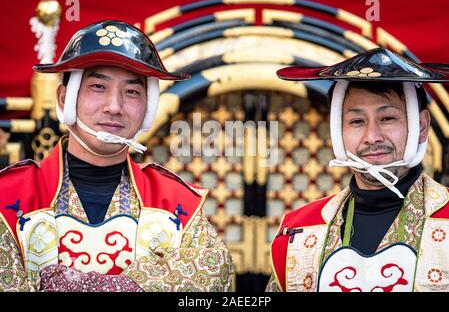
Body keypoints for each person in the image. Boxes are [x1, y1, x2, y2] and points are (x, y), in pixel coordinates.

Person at [0, 20, 233, 292]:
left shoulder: (178, 204)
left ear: (149, 107)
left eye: (132, 92)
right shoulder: (7, 197)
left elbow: (214, 272)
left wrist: (102, 286)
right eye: (98, 87)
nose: (114, 106)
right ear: (65, 99)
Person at [266, 47, 449, 292]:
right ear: (337, 131)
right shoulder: (297, 232)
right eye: (356, 121)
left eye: (387, 119)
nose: (372, 136)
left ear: (421, 126)